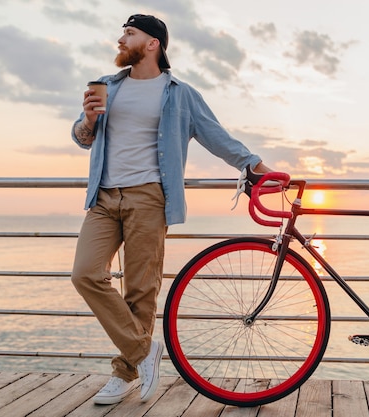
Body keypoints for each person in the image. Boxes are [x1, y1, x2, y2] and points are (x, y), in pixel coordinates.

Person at [70, 14, 270, 405]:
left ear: (152, 44)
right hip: (104, 197)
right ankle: (144, 352)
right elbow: (81, 138)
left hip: (149, 197)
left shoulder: (179, 93)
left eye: (129, 33)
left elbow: (216, 136)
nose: (120, 39)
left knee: (140, 292)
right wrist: (90, 119)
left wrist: (256, 167)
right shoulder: (107, 86)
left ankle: (124, 371)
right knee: (85, 274)